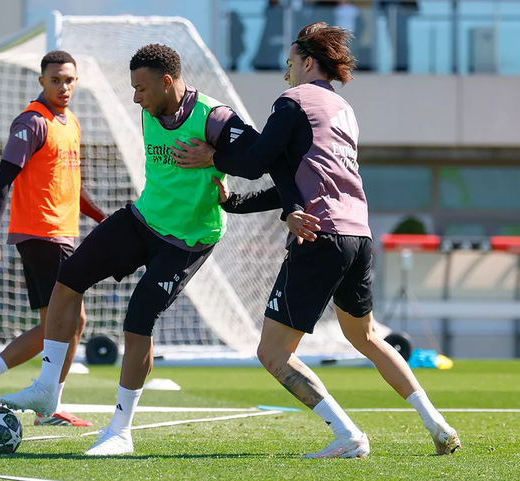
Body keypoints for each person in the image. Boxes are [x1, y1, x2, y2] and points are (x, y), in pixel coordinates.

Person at [0, 43, 306, 456]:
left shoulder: (214, 119)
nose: (134, 98)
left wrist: (274, 197)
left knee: (138, 318)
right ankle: (47, 389)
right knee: (68, 279)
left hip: (189, 239)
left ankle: (119, 433)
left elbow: (269, 161)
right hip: (143, 219)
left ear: (167, 82)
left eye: (141, 88)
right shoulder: (149, 110)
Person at [171, 22, 460, 458]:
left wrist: (213, 156)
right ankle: (437, 424)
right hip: (358, 235)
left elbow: (256, 161)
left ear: (308, 62)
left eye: (289, 64)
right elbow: (294, 181)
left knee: (272, 352)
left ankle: (347, 435)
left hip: (319, 236)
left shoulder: (293, 101)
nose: (285, 74)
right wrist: (236, 204)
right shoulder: (343, 110)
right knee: (365, 337)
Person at [0, 50, 106, 428]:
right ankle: (48, 402)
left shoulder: (69, 122)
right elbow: (1, 181)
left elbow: (73, 186)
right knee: (72, 321)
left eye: (69, 79)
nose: (63, 86)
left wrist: (105, 218)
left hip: (61, 233)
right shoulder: (32, 122)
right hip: (42, 234)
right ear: (42, 82)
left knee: (54, 325)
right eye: (56, 79)